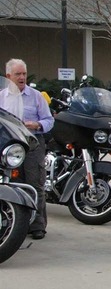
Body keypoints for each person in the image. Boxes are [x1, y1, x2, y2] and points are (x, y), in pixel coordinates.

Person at [0, 59, 55, 239]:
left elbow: (49, 120)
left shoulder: (36, 96)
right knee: (11, 184)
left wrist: (37, 124)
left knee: (34, 184)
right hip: (10, 148)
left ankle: (37, 225)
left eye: (24, 73)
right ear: (8, 76)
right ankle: (15, 225)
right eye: (18, 74)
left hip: (33, 145)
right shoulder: (2, 97)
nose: (22, 77)